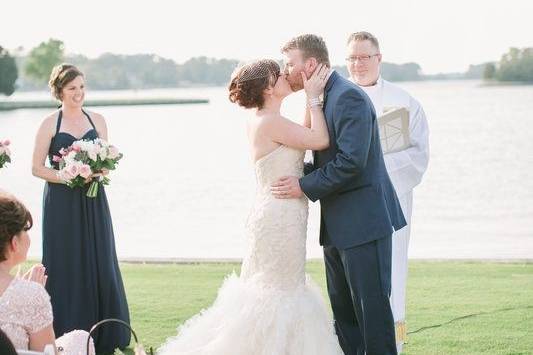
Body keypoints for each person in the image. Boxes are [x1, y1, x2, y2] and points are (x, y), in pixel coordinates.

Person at [158, 59, 343, 355]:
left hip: (278, 213)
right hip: (279, 217)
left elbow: (303, 135)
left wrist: (311, 99)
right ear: (269, 88)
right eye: (278, 74)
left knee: (275, 290)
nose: (285, 75)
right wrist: (313, 98)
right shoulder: (269, 122)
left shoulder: (268, 119)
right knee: (279, 293)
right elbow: (319, 139)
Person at [272, 34, 406, 355]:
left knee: (371, 314)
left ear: (312, 64)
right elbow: (322, 153)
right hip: (336, 228)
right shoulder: (321, 98)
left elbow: (352, 161)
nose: (287, 70)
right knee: (344, 316)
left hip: (364, 225)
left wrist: (303, 186)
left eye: (291, 63)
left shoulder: (348, 98)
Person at [31, 63, 130, 354]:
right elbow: (36, 168)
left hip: (92, 199)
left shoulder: (98, 120)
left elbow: (106, 165)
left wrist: (98, 171)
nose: (79, 93)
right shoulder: (50, 123)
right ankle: (64, 331)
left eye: (82, 87)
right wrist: (67, 174)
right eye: (72, 88)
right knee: (65, 260)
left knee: (99, 257)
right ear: (59, 91)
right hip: (61, 203)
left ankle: (106, 330)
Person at [346, 31, 430, 353]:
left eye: (365, 56)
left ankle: (391, 344)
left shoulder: (403, 103)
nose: (358, 63)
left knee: (390, 276)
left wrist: (371, 169)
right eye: (352, 57)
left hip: (389, 203)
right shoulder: (333, 99)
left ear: (379, 58)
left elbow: (417, 158)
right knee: (351, 283)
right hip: (348, 207)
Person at [0, 191, 94, 354]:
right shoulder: (31, 294)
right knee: (81, 338)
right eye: (25, 230)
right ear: (14, 242)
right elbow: (44, 352)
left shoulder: (27, 292)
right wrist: (28, 293)